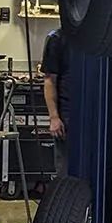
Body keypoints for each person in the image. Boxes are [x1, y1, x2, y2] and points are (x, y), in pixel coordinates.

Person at [40, 28, 70, 175]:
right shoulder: (56, 38)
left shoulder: (92, 38)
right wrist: (54, 117)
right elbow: (50, 80)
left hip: (92, 113)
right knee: (65, 169)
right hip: (67, 115)